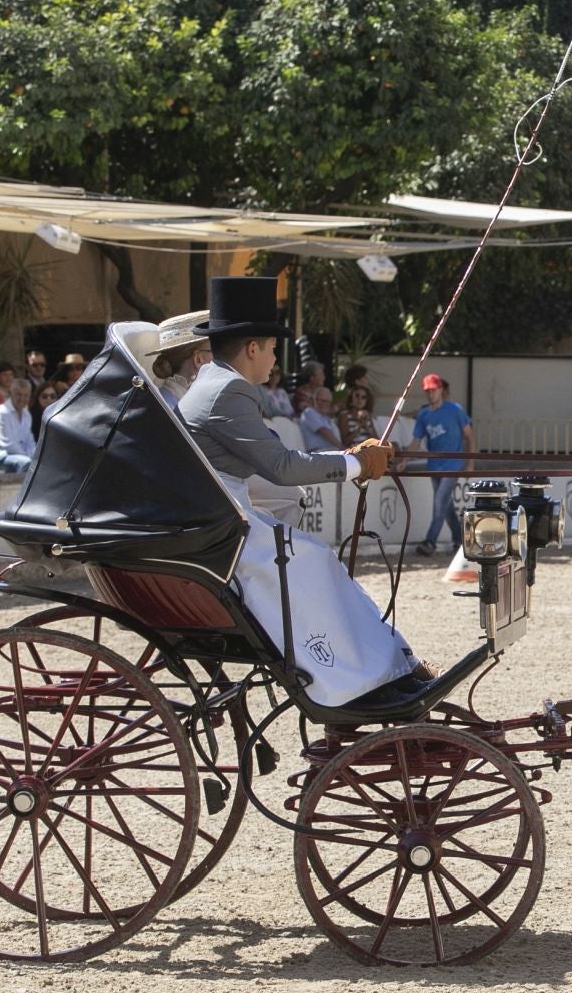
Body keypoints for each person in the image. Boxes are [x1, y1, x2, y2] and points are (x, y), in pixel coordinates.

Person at [178, 276, 416, 709]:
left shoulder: (212, 384)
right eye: (271, 348)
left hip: (224, 516)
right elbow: (284, 467)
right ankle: (361, 677)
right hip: (224, 529)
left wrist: (349, 457)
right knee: (314, 560)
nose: (274, 359)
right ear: (252, 347)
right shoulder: (229, 391)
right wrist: (357, 463)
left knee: (311, 556)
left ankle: (379, 664)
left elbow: (276, 462)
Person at [408, 372, 474, 558]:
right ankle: (460, 539)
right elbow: (416, 440)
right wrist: (403, 459)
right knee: (446, 506)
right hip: (434, 465)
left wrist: (470, 463)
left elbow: (469, 436)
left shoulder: (455, 410)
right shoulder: (423, 415)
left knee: (440, 501)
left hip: (453, 464)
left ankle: (430, 541)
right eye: (428, 391)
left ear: (441, 390)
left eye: (433, 390)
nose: (430, 394)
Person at [0, 375, 37, 472]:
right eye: (18, 394)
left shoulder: (27, 415)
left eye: (26, 395)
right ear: (11, 394)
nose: (22, 398)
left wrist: (36, 457)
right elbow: (7, 445)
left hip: (21, 456)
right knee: (26, 463)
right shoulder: (1, 413)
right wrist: (29, 458)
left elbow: (30, 442)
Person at [300, 386, 343, 450]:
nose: (324, 404)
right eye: (322, 400)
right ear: (314, 400)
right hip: (317, 453)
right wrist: (343, 448)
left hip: (331, 452)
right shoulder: (309, 412)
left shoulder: (326, 418)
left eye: (327, 401)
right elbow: (324, 432)